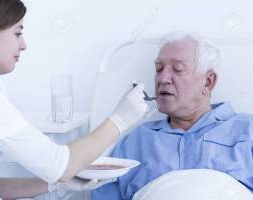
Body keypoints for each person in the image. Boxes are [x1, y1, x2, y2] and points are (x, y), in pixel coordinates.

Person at [0, 0, 148, 199]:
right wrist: (120, 120)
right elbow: (58, 165)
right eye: (17, 33)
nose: (23, 45)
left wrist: (56, 185)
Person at [91, 32, 253, 200]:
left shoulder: (247, 131)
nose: (163, 78)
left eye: (178, 69)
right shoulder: (137, 141)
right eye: (158, 69)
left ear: (208, 82)